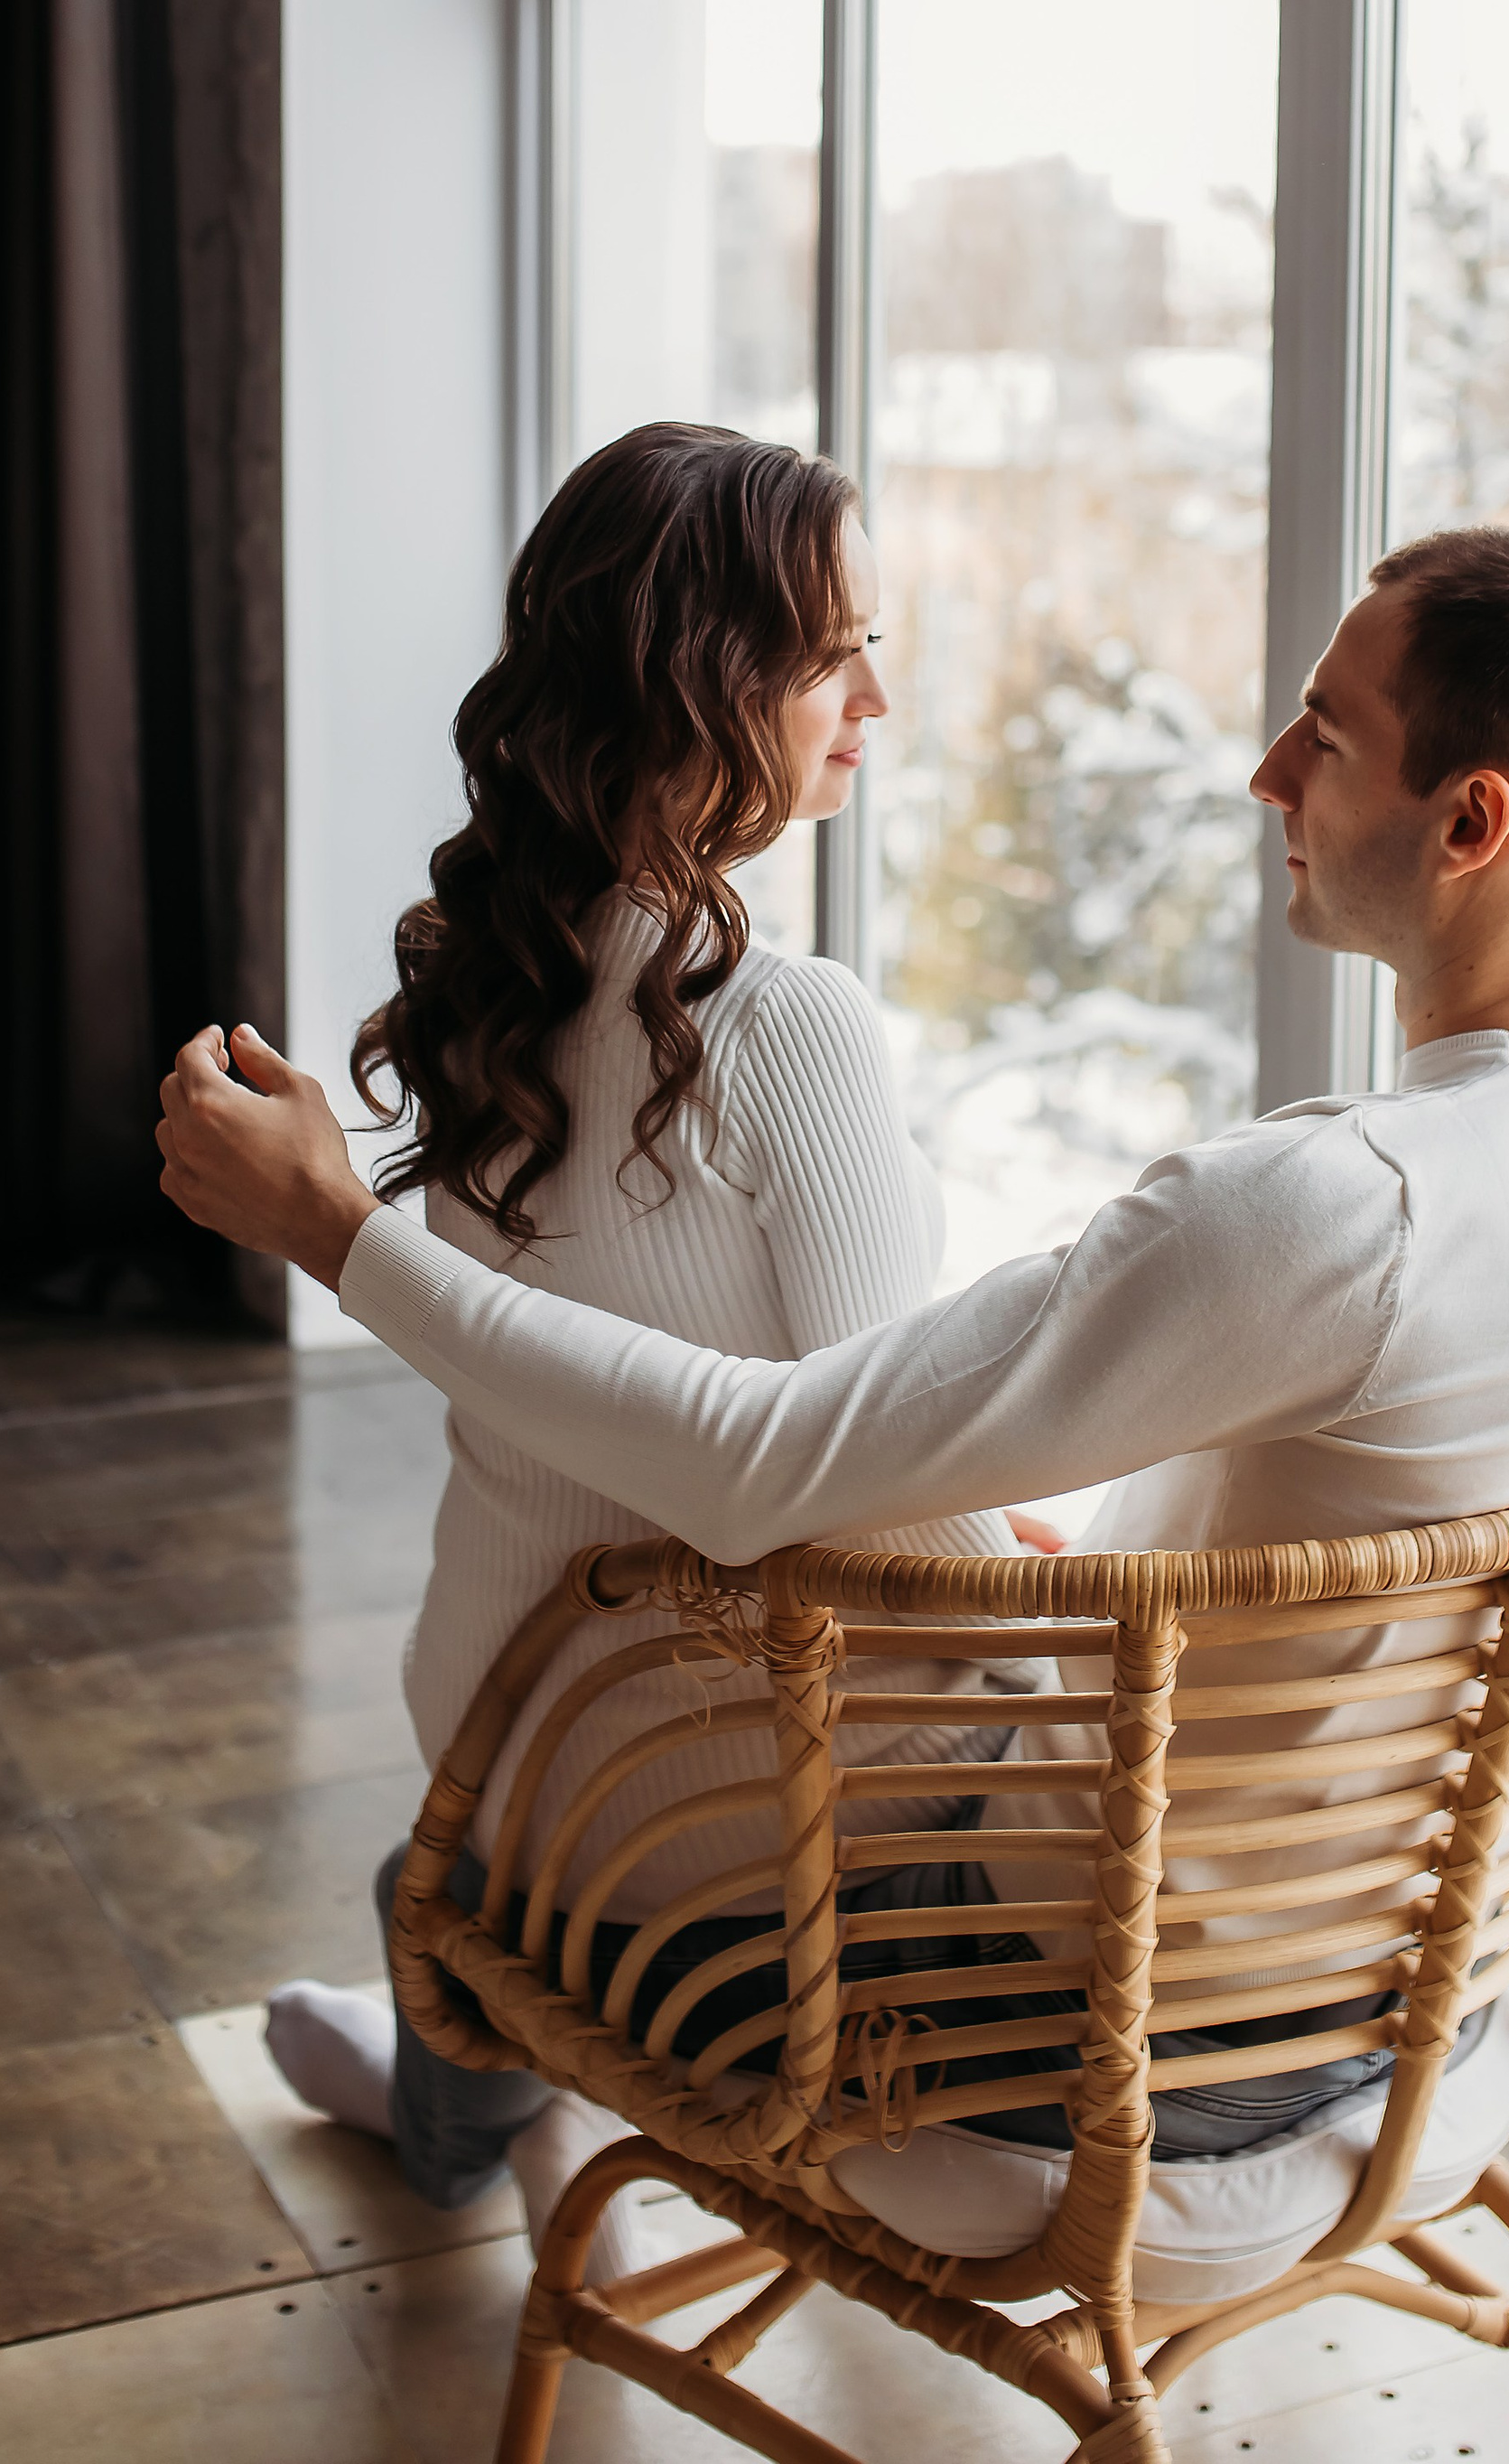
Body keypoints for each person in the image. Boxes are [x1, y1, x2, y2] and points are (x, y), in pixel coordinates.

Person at [162, 523, 1509, 2232]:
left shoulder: (1328, 1209)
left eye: (1328, 735)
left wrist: (342, 1233)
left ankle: (438, 2073)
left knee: (474, 1860)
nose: (1264, 770)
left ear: (1474, 821)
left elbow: (757, 1463)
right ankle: (438, 2064)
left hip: (1100, 2024)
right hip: (1428, 1979)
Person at [251, 424, 1044, 2282]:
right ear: (698, 678)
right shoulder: (790, 1029)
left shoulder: (478, 984)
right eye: (832, 649)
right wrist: (1045, 1567)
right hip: (718, 1813)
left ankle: (441, 2087)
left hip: (502, 1735)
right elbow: (870, 1489)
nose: (876, 694)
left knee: (448, 1884)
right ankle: (490, 2090)